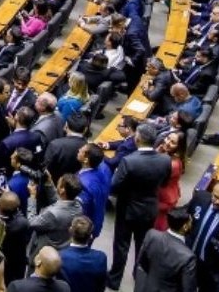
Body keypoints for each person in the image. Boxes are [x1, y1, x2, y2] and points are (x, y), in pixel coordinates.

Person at [107, 124, 172, 289]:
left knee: (121, 246)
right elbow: (164, 182)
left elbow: (114, 186)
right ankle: (139, 279)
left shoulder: (129, 161)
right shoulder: (165, 160)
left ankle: (115, 280)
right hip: (149, 209)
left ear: (137, 139)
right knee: (142, 247)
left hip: (127, 209)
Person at [133, 208, 196, 292]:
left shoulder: (152, 235)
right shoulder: (188, 257)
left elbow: (140, 264)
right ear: (185, 227)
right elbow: (188, 288)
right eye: (190, 223)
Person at [58, 216, 108, 292]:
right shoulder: (101, 258)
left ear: (70, 231)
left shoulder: (59, 257)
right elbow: (101, 285)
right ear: (91, 236)